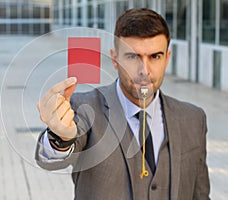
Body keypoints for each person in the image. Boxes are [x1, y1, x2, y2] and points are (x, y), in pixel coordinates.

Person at [35, 8, 210, 200]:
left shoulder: (193, 119)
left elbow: (200, 194)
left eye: (155, 57)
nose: (144, 70)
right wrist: (60, 138)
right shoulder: (84, 108)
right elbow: (49, 161)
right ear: (115, 59)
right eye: (133, 57)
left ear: (167, 58)